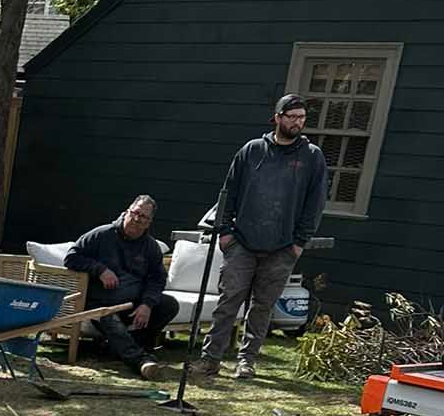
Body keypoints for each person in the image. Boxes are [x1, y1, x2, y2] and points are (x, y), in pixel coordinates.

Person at [201, 94, 328, 382]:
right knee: (228, 302)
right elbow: (228, 193)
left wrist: (299, 243)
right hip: (241, 243)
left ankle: (246, 362)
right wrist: (224, 233)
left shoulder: (311, 157)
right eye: (292, 117)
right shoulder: (251, 151)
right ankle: (210, 360)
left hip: (282, 247)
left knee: (262, 308)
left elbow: (315, 203)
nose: (298, 123)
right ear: (278, 118)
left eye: (302, 118)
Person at [64, 194, 177, 377]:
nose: (137, 220)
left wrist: (146, 305)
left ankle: (126, 347)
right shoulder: (101, 234)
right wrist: (100, 270)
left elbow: (157, 279)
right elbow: (71, 257)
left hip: (132, 304)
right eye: (135, 213)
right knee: (109, 318)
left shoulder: (151, 247)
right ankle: (141, 360)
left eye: (143, 218)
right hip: (100, 304)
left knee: (168, 305)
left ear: (148, 223)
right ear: (126, 212)